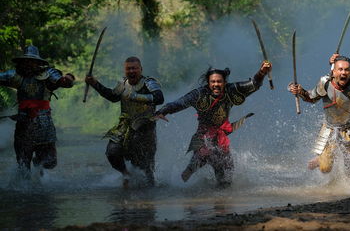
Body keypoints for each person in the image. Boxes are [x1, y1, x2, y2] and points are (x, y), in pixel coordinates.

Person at [154, 61, 272, 187]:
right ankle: (177, 194)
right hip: (203, 138)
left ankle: (221, 203)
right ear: (208, 83)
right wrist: (163, 111)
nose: (216, 84)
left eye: (219, 82)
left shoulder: (230, 90)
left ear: (224, 82)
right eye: (213, 82)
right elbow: (179, 103)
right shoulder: (199, 94)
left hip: (221, 140)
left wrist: (262, 72)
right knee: (190, 171)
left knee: (226, 177)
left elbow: (254, 84)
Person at [289, 56, 350, 176]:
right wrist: (300, 91)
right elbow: (310, 98)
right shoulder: (325, 83)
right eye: (340, 69)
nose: (343, 73)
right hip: (329, 129)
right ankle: (322, 159)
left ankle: (346, 188)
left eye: (347, 70)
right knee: (325, 168)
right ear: (334, 71)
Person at [85, 56, 163, 187]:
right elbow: (112, 96)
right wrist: (95, 84)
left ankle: (149, 203)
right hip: (125, 126)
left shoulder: (149, 82)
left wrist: (136, 96)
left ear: (140, 69)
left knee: (145, 170)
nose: (131, 71)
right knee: (112, 152)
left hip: (145, 128)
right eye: (128, 69)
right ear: (125, 70)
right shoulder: (123, 83)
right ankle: (126, 174)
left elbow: (159, 98)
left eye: (134, 68)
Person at [0, 45, 75, 178]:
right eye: (26, 61)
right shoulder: (15, 75)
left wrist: (68, 79)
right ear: (22, 62)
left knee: (50, 162)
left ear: (38, 63)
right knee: (23, 164)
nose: (28, 64)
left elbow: (63, 82)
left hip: (44, 123)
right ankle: (26, 190)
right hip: (24, 122)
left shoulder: (49, 74)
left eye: (31, 61)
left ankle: (39, 167)